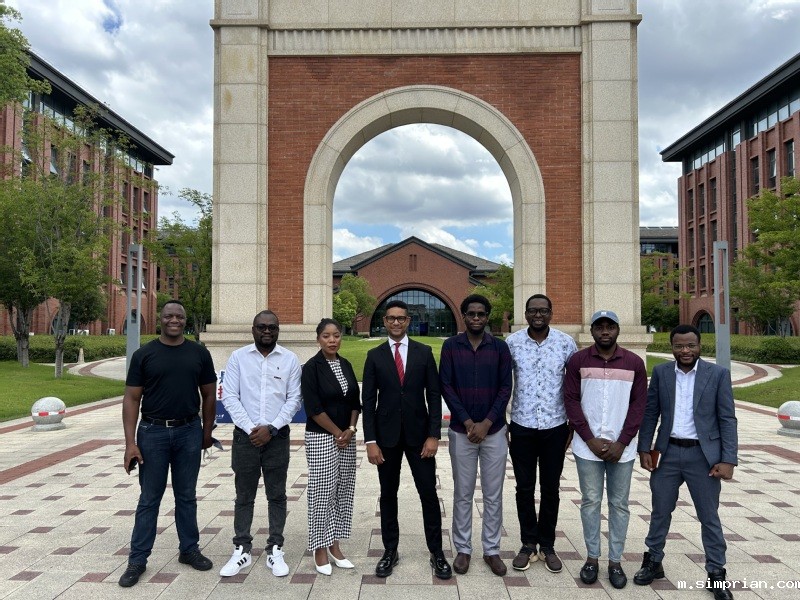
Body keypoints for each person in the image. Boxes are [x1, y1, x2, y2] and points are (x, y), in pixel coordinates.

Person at [634, 324, 738, 600]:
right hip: (667, 454)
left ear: (699, 346)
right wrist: (644, 448)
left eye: (691, 345)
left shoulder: (717, 374)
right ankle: (653, 561)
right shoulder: (662, 372)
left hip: (703, 457)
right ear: (672, 347)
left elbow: (727, 418)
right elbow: (651, 412)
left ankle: (716, 574)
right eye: (679, 346)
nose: (685, 350)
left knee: (709, 516)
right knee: (660, 511)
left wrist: (728, 459)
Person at [119, 300, 217, 588]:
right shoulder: (144, 355)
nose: (174, 320)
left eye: (179, 316)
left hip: (189, 431)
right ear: (160, 319)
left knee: (186, 496)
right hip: (153, 433)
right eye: (168, 316)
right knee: (149, 498)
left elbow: (209, 395)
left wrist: (206, 432)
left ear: (185, 320)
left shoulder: (199, 353)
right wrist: (130, 443)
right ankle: (137, 559)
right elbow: (132, 399)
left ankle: (189, 549)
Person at [361, 299, 452, 580]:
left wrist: (434, 435)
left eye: (401, 318)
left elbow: (434, 396)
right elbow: (368, 401)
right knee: (388, 494)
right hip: (386, 439)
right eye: (391, 318)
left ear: (408, 321)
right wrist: (370, 441)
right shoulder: (374, 356)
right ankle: (390, 550)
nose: (396, 323)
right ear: (384, 321)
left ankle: (437, 552)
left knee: (428, 494)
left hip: (419, 437)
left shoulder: (424, 353)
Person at [563, 309, 647, 590]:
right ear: (592, 331)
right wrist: (589, 438)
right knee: (590, 501)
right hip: (587, 447)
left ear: (618, 330)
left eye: (610, 326)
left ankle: (615, 561)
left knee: (619, 504)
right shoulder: (578, 361)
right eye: (599, 327)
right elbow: (571, 401)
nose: (605, 331)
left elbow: (638, 405)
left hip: (623, 448)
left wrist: (623, 441)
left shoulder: (634, 362)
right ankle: (592, 558)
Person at [218, 310, 302, 578]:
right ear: (253, 329)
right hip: (246, 438)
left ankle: (275, 548)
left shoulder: (289, 359)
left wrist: (272, 428)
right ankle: (241, 549)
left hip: (278, 438)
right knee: (244, 496)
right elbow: (230, 397)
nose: (267, 331)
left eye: (272, 327)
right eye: (261, 327)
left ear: (278, 330)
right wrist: (252, 429)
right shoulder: (238, 358)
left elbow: (294, 399)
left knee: (277, 495)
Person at [440, 294, 512, 577]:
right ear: (464, 316)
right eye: (471, 314)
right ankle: (463, 549)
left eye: (481, 314)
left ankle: (491, 550)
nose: (476, 318)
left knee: (493, 494)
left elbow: (505, 387)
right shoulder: (451, 346)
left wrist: (487, 422)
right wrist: (469, 422)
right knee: (463, 493)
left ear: (487, 317)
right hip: (462, 432)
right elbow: (446, 386)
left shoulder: (500, 348)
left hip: (494, 432)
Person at [505, 293, 577, 573]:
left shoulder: (565, 343)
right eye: (533, 310)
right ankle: (527, 543)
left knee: (550, 488)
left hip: (555, 426)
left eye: (543, 310)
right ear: (525, 313)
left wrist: (573, 424)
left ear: (550, 313)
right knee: (524, 488)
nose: (538, 315)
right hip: (521, 425)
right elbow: (503, 383)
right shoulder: (512, 343)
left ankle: (547, 545)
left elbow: (575, 385)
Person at [301, 318, 361, 576]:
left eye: (336, 335)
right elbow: (313, 408)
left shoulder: (345, 364)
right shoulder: (311, 368)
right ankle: (319, 548)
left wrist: (351, 429)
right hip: (322, 437)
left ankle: (335, 545)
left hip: (347, 437)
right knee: (322, 492)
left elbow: (355, 402)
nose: (332, 340)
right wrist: (338, 433)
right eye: (326, 336)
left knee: (342, 490)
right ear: (318, 339)